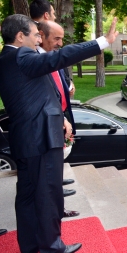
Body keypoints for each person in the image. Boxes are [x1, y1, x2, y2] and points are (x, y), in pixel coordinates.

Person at [0, 14, 118, 253]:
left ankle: (29, 246)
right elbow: (60, 57)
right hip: (42, 138)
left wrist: (59, 115)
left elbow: (35, 94)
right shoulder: (22, 56)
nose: (38, 39)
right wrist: (101, 42)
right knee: (49, 193)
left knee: (27, 194)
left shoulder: (4, 60)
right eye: (34, 34)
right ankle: (52, 247)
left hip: (24, 138)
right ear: (20, 36)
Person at [38, 21, 80, 219]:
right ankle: (54, 215)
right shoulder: (38, 61)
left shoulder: (52, 60)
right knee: (49, 176)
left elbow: (57, 87)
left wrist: (67, 87)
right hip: (48, 124)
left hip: (60, 118)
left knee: (56, 172)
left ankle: (58, 209)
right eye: (56, 38)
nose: (60, 43)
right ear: (41, 35)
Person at [30, 0, 75, 98]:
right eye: (53, 14)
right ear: (46, 15)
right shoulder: (30, 44)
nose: (54, 17)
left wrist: (68, 82)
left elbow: (58, 59)